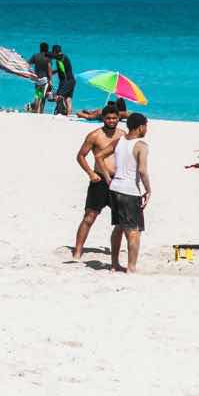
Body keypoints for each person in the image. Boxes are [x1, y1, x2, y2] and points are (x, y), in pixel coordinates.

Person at [95, 112, 151, 273]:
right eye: (146, 126)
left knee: (119, 227)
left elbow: (99, 156)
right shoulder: (141, 145)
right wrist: (148, 189)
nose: (146, 129)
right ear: (141, 127)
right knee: (134, 230)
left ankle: (114, 263)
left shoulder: (119, 141)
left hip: (115, 188)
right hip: (129, 191)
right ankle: (131, 266)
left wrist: (108, 178)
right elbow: (142, 170)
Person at [71, 103, 124, 260]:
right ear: (103, 119)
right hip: (100, 180)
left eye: (114, 118)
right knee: (89, 217)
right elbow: (80, 156)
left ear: (119, 118)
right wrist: (90, 173)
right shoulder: (95, 135)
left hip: (118, 181)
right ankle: (78, 251)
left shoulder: (123, 134)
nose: (111, 121)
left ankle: (117, 254)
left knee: (121, 221)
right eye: (108, 118)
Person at [51, 44, 75, 116]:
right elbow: (61, 70)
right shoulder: (64, 57)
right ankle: (68, 115)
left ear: (55, 52)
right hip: (72, 80)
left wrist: (63, 83)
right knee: (68, 99)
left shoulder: (60, 58)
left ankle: (59, 112)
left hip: (66, 81)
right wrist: (52, 72)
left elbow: (63, 73)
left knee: (58, 96)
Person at [29, 42, 53, 113]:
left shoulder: (35, 56)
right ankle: (41, 111)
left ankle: (36, 111)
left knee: (37, 96)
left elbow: (28, 64)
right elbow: (49, 69)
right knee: (43, 97)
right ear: (47, 49)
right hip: (44, 80)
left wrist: (31, 74)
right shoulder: (48, 57)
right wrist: (51, 80)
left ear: (40, 48)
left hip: (37, 79)